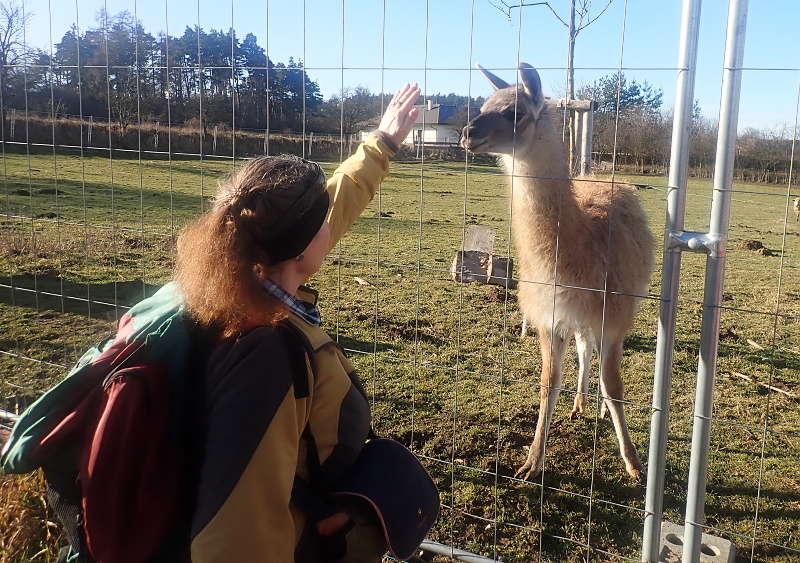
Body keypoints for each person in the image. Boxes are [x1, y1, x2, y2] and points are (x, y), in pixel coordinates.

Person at [173, 84, 421, 562]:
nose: (335, 221)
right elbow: (237, 538)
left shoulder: (240, 276)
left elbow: (327, 206)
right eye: (323, 221)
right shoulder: (266, 355)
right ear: (301, 250)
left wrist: (383, 145)